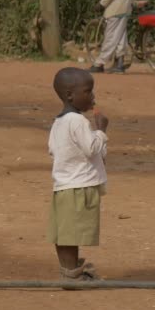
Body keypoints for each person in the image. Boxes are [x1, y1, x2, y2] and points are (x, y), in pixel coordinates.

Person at [47, 67, 109, 283]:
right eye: (88, 91)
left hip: (63, 186)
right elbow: (92, 148)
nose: (93, 96)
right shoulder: (78, 121)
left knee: (65, 234)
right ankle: (72, 276)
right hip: (79, 186)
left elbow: (54, 150)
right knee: (72, 233)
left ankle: (69, 271)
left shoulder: (59, 122)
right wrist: (101, 129)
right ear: (70, 95)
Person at [89, 0, 138, 74]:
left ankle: (99, 63)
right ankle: (120, 64)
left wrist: (102, 4)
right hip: (125, 5)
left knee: (110, 36)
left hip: (116, 7)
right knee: (120, 35)